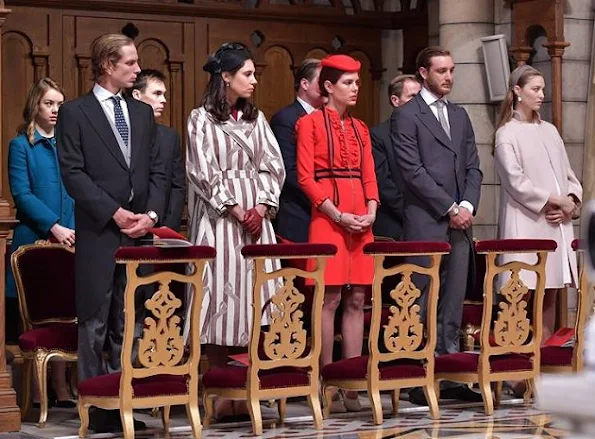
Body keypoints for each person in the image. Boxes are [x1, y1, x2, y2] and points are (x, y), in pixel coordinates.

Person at [56, 33, 166, 433]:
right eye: (131, 63)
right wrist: (114, 212)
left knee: (131, 319)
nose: (138, 70)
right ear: (106, 65)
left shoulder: (139, 113)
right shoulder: (75, 112)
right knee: (95, 321)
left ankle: (126, 401)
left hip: (139, 232)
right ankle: (94, 406)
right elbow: (73, 173)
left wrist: (150, 214)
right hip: (100, 231)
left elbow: (158, 169)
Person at [186, 42, 285, 420]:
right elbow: (201, 169)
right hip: (219, 221)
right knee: (219, 304)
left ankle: (248, 389)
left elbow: (273, 165)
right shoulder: (200, 119)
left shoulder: (257, 120)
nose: (254, 80)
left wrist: (261, 207)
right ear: (225, 77)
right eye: (247, 73)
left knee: (255, 301)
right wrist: (235, 207)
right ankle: (218, 390)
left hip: (257, 223)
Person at [392, 46, 483, 405]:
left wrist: (467, 204)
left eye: (452, 70)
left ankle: (447, 373)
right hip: (426, 221)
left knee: (453, 300)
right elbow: (412, 171)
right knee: (421, 297)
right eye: (441, 70)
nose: (448, 77)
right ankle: (418, 374)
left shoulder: (460, 115)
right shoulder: (408, 115)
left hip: (460, 222)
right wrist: (448, 207)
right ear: (423, 73)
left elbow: (474, 165)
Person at [296, 54, 379, 412]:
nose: (355, 88)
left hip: (361, 218)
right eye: (348, 82)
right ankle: (326, 379)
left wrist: (371, 210)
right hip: (328, 218)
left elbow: (370, 175)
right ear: (327, 87)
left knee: (358, 299)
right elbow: (304, 178)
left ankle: (353, 383)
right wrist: (337, 214)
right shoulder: (309, 124)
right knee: (328, 300)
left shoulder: (360, 127)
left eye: (357, 82)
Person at [494, 65, 582, 344]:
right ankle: (516, 369)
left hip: (555, 225)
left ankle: (540, 366)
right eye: (535, 89)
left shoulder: (551, 131)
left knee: (549, 292)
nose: (542, 95)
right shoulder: (506, 133)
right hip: (526, 223)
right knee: (521, 294)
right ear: (517, 91)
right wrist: (555, 201)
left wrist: (571, 200)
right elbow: (515, 181)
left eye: (543, 89)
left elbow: (568, 175)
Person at [6, 78, 75, 408]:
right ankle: (35, 390)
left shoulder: (67, 145)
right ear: (36, 105)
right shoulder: (21, 145)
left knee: (65, 313)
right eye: (49, 103)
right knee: (35, 315)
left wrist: (70, 229)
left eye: (60, 104)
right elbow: (22, 194)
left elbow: (75, 190)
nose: (55, 110)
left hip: (71, 238)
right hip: (33, 240)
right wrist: (53, 226)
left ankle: (61, 388)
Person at [271, 58, 322, 243]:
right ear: (304, 83)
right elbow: (288, 169)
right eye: (321, 81)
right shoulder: (285, 119)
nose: (327, 86)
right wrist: (323, 199)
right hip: (299, 212)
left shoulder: (330, 118)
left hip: (330, 213)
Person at [129, 69, 185, 230]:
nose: (164, 100)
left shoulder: (169, 137)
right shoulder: (120, 132)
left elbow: (177, 186)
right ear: (137, 95)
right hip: (124, 226)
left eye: (164, 94)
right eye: (157, 93)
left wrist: (168, 226)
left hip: (160, 227)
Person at [371, 74, 420, 240]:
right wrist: (411, 213)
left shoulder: (428, 133)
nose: (419, 103)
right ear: (395, 100)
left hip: (427, 222)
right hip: (393, 222)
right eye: (413, 97)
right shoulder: (378, 135)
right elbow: (383, 183)